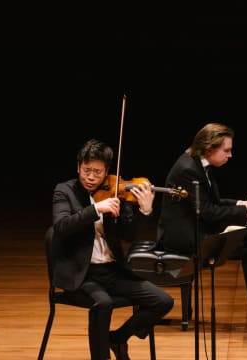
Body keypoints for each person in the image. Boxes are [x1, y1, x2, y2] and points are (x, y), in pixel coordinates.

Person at [51, 138, 174, 360]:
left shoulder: (115, 192)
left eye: (97, 172)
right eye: (86, 170)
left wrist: (145, 212)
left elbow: (130, 235)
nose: (90, 177)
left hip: (111, 271)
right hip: (82, 274)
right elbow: (60, 228)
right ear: (78, 166)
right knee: (103, 303)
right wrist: (95, 209)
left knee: (163, 301)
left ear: (107, 171)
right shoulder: (64, 191)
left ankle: (118, 338)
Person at [157, 122, 247, 330]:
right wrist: (244, 212)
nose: (230, 155)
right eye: (226, 150)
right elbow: (208, 212)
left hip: (195, 227)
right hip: (183, 237)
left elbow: (211, 202)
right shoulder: (188, 170)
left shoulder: (198, 164)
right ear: (209, 148)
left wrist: (240, 203)